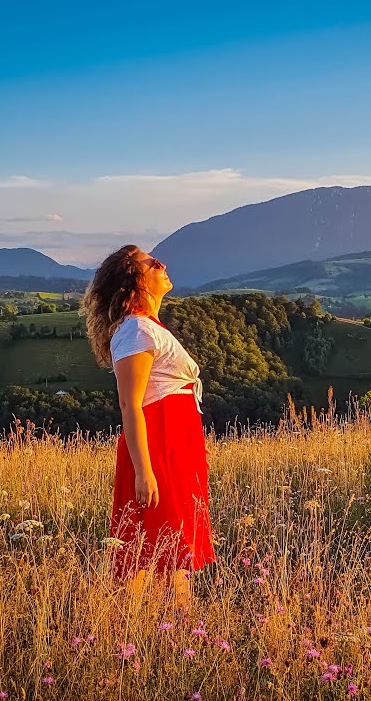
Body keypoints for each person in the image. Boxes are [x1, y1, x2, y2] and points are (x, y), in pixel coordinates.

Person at [82, 244, 215, 608]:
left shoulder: (146, 327)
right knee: (159, 539)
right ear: (133, 280)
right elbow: (130, 404)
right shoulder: (137, 330)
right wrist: (144, 471)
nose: (163, 265)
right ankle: (167, 627)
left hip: (173, 442)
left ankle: (162, 628)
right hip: (158, 445)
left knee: (167, 539)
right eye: (152, 263)